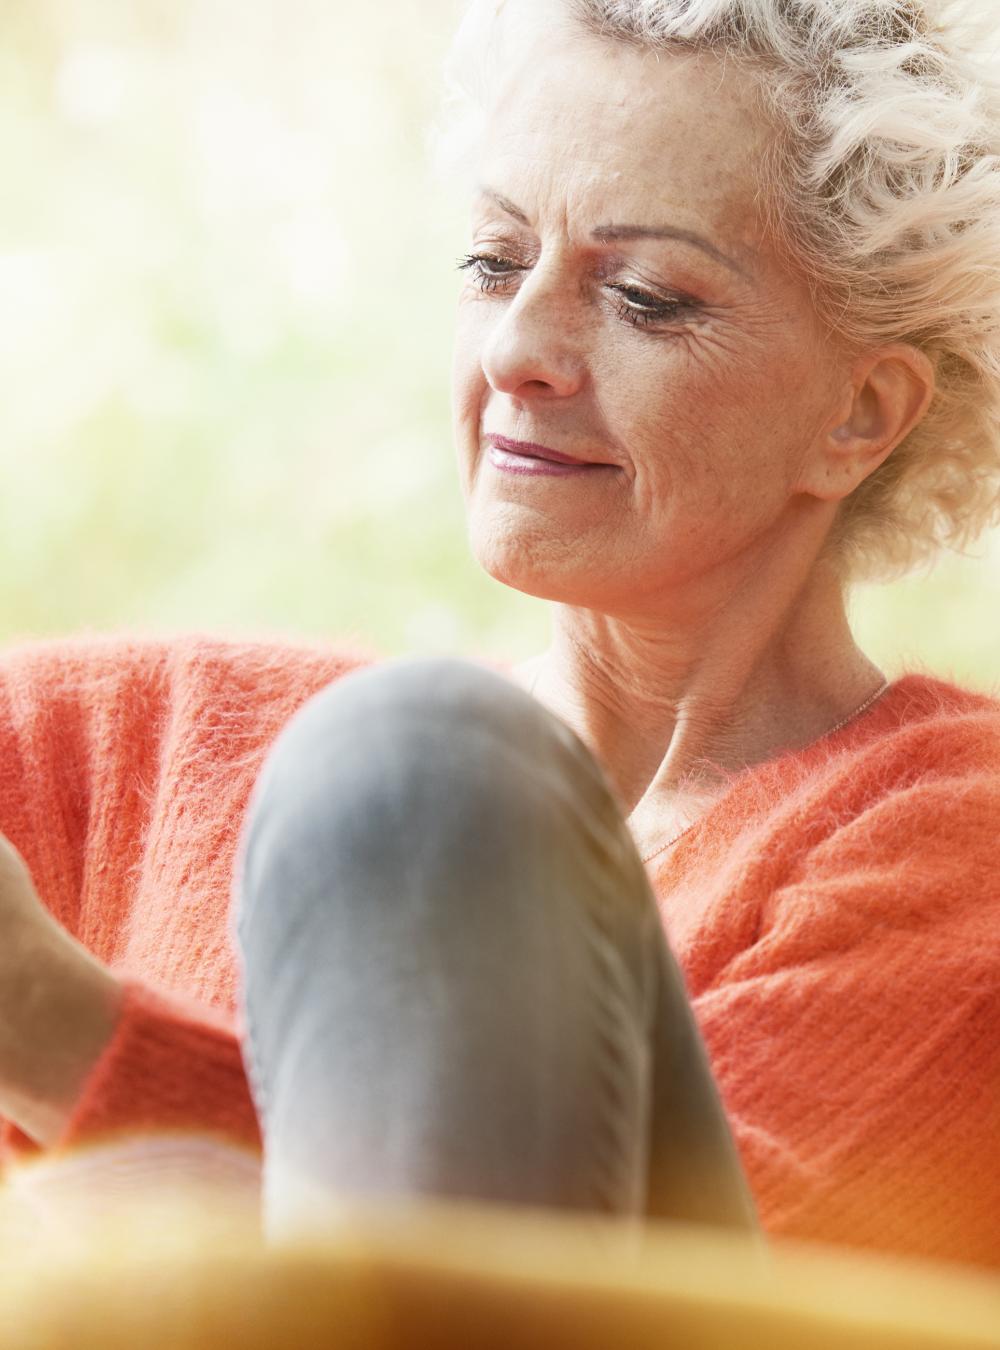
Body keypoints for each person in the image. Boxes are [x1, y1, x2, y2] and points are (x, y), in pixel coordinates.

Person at [0, 0, 998, 1271]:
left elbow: (739, 1311)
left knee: (422, 780)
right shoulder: (158, 746)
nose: (519, 346)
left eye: (644, 297)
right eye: (491, 262)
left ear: (859, 413)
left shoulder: (954, 844)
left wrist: (52, 1028)